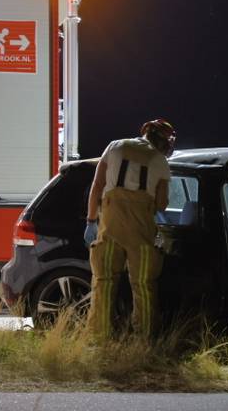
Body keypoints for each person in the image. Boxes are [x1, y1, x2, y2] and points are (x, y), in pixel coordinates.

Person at [83, 119, 175, 339]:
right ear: (163, 140)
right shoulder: (160, 161)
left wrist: (91, 221)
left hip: (110, 222)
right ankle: (144, 341)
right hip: (140, 229)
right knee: (143, 285)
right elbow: (162, 204)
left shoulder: (115, 146)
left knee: (104, 282)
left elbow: (97, 186)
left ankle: (99, 339)